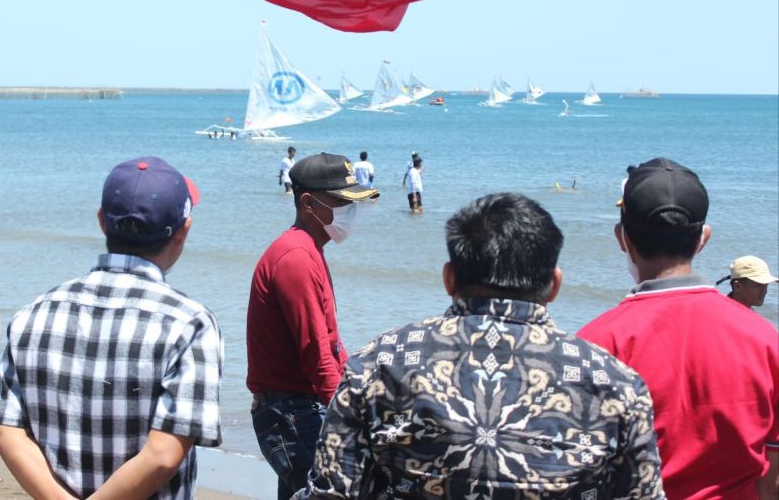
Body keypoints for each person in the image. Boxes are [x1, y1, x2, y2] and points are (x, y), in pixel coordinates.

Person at [297, 193, 664, 498]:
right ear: (554, 285)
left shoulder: (378, 365)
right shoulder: (614, 384)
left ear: (449, 278)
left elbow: (331, 492)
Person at [0, 156, 223, 499]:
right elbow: (162, 455)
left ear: (102, 221)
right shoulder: (189, 323)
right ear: (183, 230)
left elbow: (7, 433)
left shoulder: (33, 314)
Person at [579, 158, 778, 500]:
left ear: (622, 238)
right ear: (704, 238)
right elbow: (772, 477)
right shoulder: (765, 340)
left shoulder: (592, 347)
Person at [247, 152, 379, 499]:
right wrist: (347, 416)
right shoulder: (296, 258)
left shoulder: (308, 250)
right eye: (341, 202)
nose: (349, 212)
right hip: (291, 411)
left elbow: (331, 345)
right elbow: (315, 353)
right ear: (308, 203)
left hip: (297, 406)